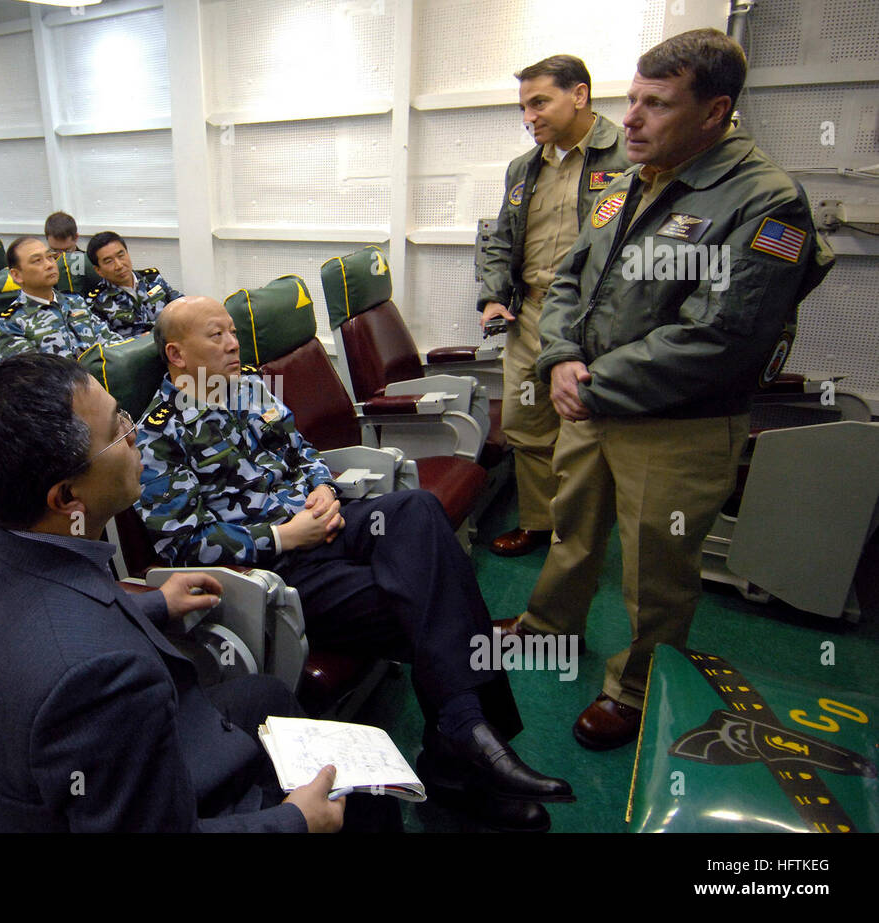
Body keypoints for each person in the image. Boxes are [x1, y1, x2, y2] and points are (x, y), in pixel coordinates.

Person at [495, 29, 835, 749]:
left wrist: (594, 382)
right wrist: (559, 358)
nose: (635, 119)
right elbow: (570, 281)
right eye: (634, 98)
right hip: (587, 398)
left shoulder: (766, 202)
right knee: (573, 528)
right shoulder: (628, 183)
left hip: (677, 420)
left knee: (658, 564)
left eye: (657, 103)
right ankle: (550, 627)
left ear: (714, 112)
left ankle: (636, 684)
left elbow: (723, 335)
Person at [136, 296, 575, 832]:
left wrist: (321, 487)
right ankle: (462, 760)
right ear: (177, 353)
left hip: (332, 527)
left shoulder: (250, 388)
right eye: (216, 336)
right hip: (279, 571)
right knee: (439, 599)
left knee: (416, 508)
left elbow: (304, 453)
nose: (233, 344)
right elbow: (182, 545)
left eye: (233, 332)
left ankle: (462, 744)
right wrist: (281, 534)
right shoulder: (159, 433)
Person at [0, 354, 356, 832]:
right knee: (356, 799)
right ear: (67, 498)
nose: (135, 434)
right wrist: (296, 822)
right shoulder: (101, 677)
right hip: (109, 804)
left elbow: (41, 619)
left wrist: (154, 602)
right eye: (117, 430)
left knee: (266, 695)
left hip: (56, 770)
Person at [478, 55, 630, 558]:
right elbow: (501, 238)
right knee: (526, 424)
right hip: (530, 316)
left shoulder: (628, 156)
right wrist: (494, 296)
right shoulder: (524, 168)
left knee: (583, 431)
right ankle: (539, 523)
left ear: (580, 95)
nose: (529, 117)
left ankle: (578, 537)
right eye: (523, 106)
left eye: (540, 102)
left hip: (595, 320)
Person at [0, 236, 121, 359]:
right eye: (37, 261)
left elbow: (110, 342)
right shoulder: (11, 324)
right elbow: (32, 375)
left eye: (50, 257)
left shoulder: (75, 302)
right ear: (16, 275)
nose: (49, 265)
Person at [84, 230, 182, 339]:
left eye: (121, 255)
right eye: (109, 261)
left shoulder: (153, 279)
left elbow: (181, 305)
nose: (119, 265)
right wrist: (140, 340)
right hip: (137, 352)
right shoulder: (96, 303)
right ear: (98, 270)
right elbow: (106, 343)